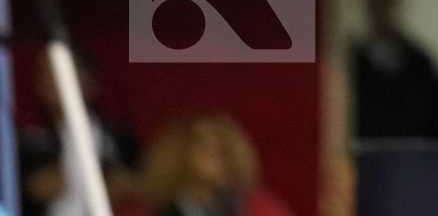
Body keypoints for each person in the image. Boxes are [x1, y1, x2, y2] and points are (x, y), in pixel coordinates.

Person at [17, 46, 142, 216]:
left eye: (62, 72)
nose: (52, 81)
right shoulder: (30, 143)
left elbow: (145, 182)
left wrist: (126, 184)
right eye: (45, 75)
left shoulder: (118, 137)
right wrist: (30, 190)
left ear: (91, 81)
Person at [349, 0, 438, 140]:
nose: (384, 10)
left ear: (400, 3)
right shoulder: (350, 63)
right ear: (366, 4)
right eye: (377, 1)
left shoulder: (421, 63)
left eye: (389, 1)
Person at [138, 110, 293, 216]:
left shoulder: (254, 208)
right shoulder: (156, 211)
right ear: (179, 155)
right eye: (208, 150)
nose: (221, 160)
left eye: (225, 151)